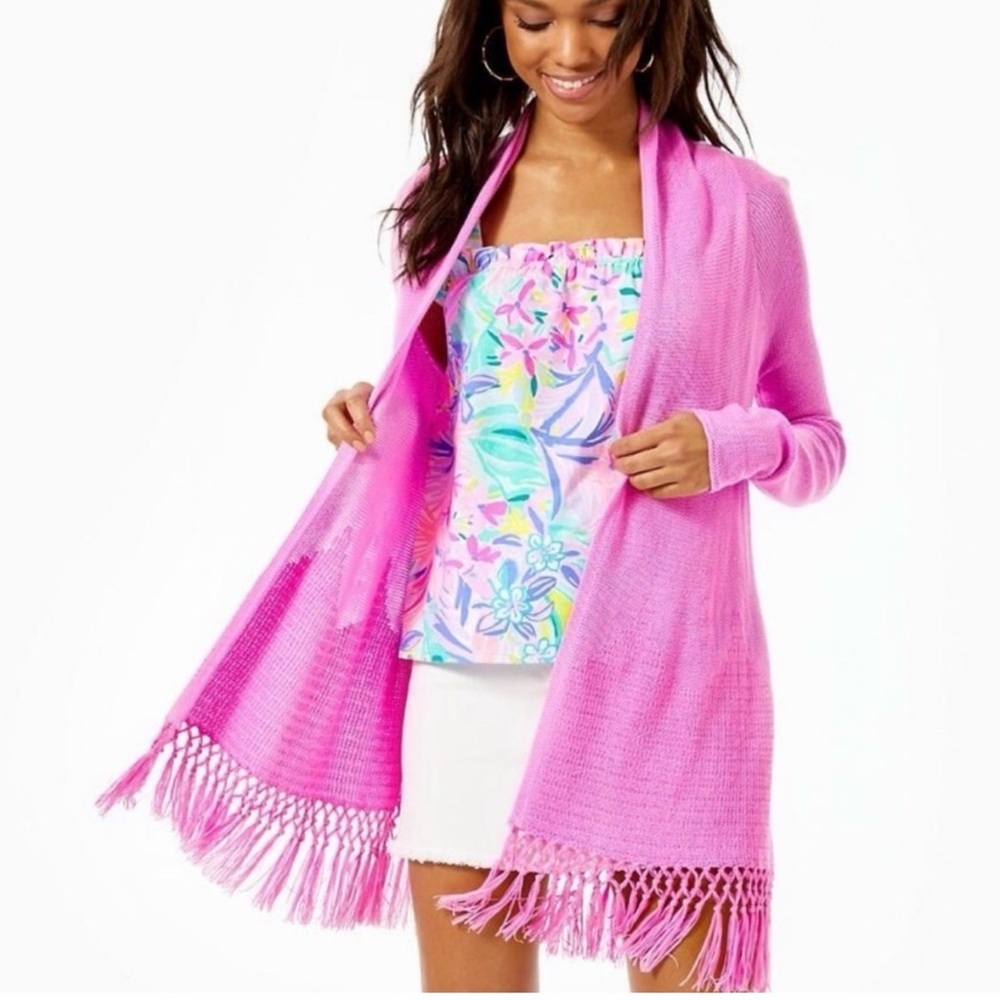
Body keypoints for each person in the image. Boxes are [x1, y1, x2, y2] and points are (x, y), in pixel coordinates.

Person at [319, 0, 801, 991]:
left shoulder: (738, 205)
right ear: (493, 25)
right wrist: (371, 410)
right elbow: (449, 415)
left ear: (654, 21)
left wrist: (727, 442)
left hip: (662, 664)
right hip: (472, 654)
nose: (571, 51)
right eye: (536, 19)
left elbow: (817, 438)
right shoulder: (446, 198)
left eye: (604, 18)